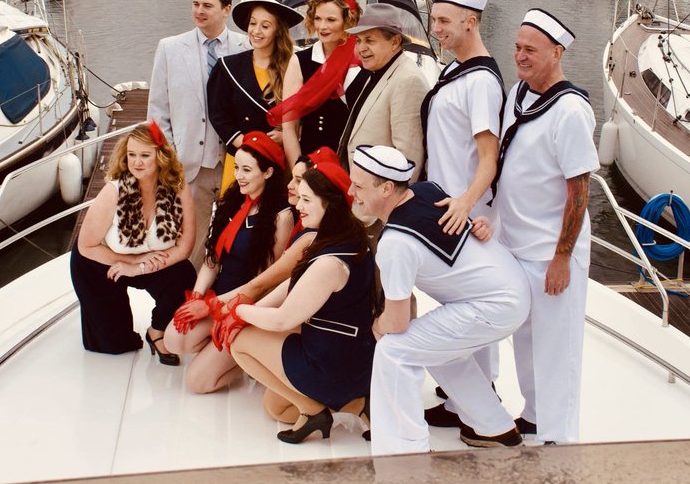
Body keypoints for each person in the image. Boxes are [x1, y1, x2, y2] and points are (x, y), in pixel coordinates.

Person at [349, 145, 529, 456]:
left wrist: (376, 326)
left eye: (359, 186)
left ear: (387, 188)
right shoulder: (426, 191)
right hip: (510, 289)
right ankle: (495, 428)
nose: (352, 193)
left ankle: (406, 453)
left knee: (394, 350)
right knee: (435, 347)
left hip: (493, 306)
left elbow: (397, 322)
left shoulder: (395, 243)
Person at [491, 8, 599, 444]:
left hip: (550, 252)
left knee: (557, 348)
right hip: (515, 243)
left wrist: (562, 258)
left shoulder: (570, 111)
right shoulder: (519, 92)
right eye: (517, 47)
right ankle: (535, 414)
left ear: (556, 53)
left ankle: (560, 438)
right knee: (525, 339)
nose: (520, 56)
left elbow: (579, 190)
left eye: (531, 50)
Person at [224, 159, 375, 444]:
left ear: (330, 205)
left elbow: (283, 320)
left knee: (239, 341)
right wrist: (247, 308)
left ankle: (315, 409)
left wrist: (237, 310)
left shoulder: (330, 262)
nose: (299, 206)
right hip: (351, 356)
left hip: (331, 364)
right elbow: (294, 284)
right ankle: (356, 405)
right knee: (276, 409)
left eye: (307, 200)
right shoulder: (349, 237)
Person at [420, 0, 506, 426]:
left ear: (470, 22)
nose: (436, 28)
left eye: (443, 21)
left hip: (464, 212)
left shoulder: (481, 82)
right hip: (446, 205)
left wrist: (466, 205)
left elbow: (489, 158)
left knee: (471, 306)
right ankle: (466, 390)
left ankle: (477, 398)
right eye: (434, 19)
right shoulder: (455, 69)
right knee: (463, 303)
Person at [164, 130, 293, 393]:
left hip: (246, 307)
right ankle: (222, 352)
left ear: (268, 172)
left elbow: (265, 282)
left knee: (197, 383)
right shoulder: (234, 200)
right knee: (173, 339)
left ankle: (246, 357)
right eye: (237, 168)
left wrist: (211, 306)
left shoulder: (282, 217)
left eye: (247, 170)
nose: (238, 176)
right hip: (218, 299)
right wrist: (196, 298)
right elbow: (212, 259)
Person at [70, 122, 196, 362]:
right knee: (114, 345)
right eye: (131, 155)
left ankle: (157, 331)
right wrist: (134, 260)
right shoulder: (113, 191)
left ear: (161, 157)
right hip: (98, 263)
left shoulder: (178, 190)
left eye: (145, 155)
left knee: (184, 276)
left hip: (147, 261)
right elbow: (87, 246)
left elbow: (185, 247)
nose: (136, 162)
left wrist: (139, 267)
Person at [148, 0, 248, 264]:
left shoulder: (246, 47)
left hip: (235, 162)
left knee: (237, 237)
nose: (199, 11)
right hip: (190, 165)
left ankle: (226, 285)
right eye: (195, 4)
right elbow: (157, 112)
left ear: (226, 9)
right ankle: (189, 287)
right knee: (189, 240)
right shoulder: (169, 48)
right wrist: (171, 158)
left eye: (207, 5)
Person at [207, 0, 300, 187]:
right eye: (252, 23)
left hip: (277, 161)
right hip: (240, 160)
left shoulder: (294, 68)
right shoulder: (228, 67)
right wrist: (250, 146)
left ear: (278, 31)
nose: (256, 31)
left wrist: (287, 136)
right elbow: (219, 116)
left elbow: (305, 114)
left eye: (265, 26)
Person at [268, 0, 360, 166]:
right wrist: (297, 168)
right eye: (318, 18)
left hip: (350, 164)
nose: (322, 27)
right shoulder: (300, 61)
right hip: (309, 161)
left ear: (348, 20)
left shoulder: (362, 61)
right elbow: (289, 126)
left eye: (331, 20)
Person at [336, 1, 429, 179]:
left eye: (369, 40)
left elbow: (408, 160)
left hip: (380, 194)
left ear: (395, 42)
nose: (361, 48)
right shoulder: (379, 70)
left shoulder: (408, 81)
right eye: (359, 41)